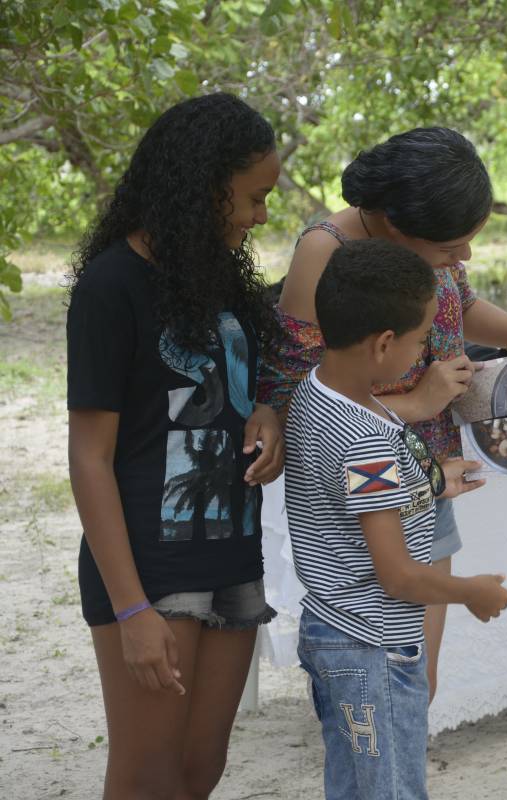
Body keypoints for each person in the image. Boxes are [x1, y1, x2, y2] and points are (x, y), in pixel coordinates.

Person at [263, 127, 507, 700]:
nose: (463, 258)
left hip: (427, 478)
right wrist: (416, 403)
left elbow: (462, 305)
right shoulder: (325, 253)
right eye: (451, 248)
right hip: (363, 487)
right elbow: (296, 404)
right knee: (374, 674)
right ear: (396, 226)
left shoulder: (429, 246)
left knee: (416, 676)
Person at [66, 93, 285, 799]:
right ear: (203, 186)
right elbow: (89, 457)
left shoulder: (220, 278)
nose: (260, 216)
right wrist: (132, 610)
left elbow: (245, 387)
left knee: (199, 770)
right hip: (149, 567)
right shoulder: (111, 286)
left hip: (232, 550)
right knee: (148, 780)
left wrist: (268, 413)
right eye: (253, 197)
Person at [285, 237, 507, 800]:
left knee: (354, 786)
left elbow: (354, 498)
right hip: (373, 646)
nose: (423, 353)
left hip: (333, 628)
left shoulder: (319, 394)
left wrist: (430, 481)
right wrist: (471, 592)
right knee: (391, 789)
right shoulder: (365, 439)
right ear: (385, 343)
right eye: (420, 340)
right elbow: (398, 574)